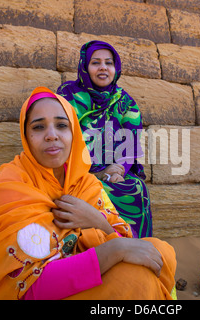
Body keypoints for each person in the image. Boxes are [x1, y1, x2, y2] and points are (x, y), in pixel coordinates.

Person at [0, 87, 176, 300]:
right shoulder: (10, 188)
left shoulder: (85, 184)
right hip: (43, 291)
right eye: (38, 127)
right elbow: (25, 286)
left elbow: (127, 242)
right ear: (26, 136)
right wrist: (112, 251)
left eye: (62, 125)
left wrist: (96, 221)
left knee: (161, 251)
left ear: (74, 133)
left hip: (85, 275)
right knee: (136, 279)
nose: (51, 135)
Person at [57, 40, 152, 238]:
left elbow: (131, 143)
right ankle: (89, 251)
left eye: (108, 63)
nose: (103, 67)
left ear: (115, 68)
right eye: (95, 62)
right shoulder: (68, 95)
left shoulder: (125, 101)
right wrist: (93, 173)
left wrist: (118, 171)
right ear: (85, 67)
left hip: (111, 170)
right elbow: (58, 135)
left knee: (135, 188)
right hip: (73, 171)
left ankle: (133, 248)